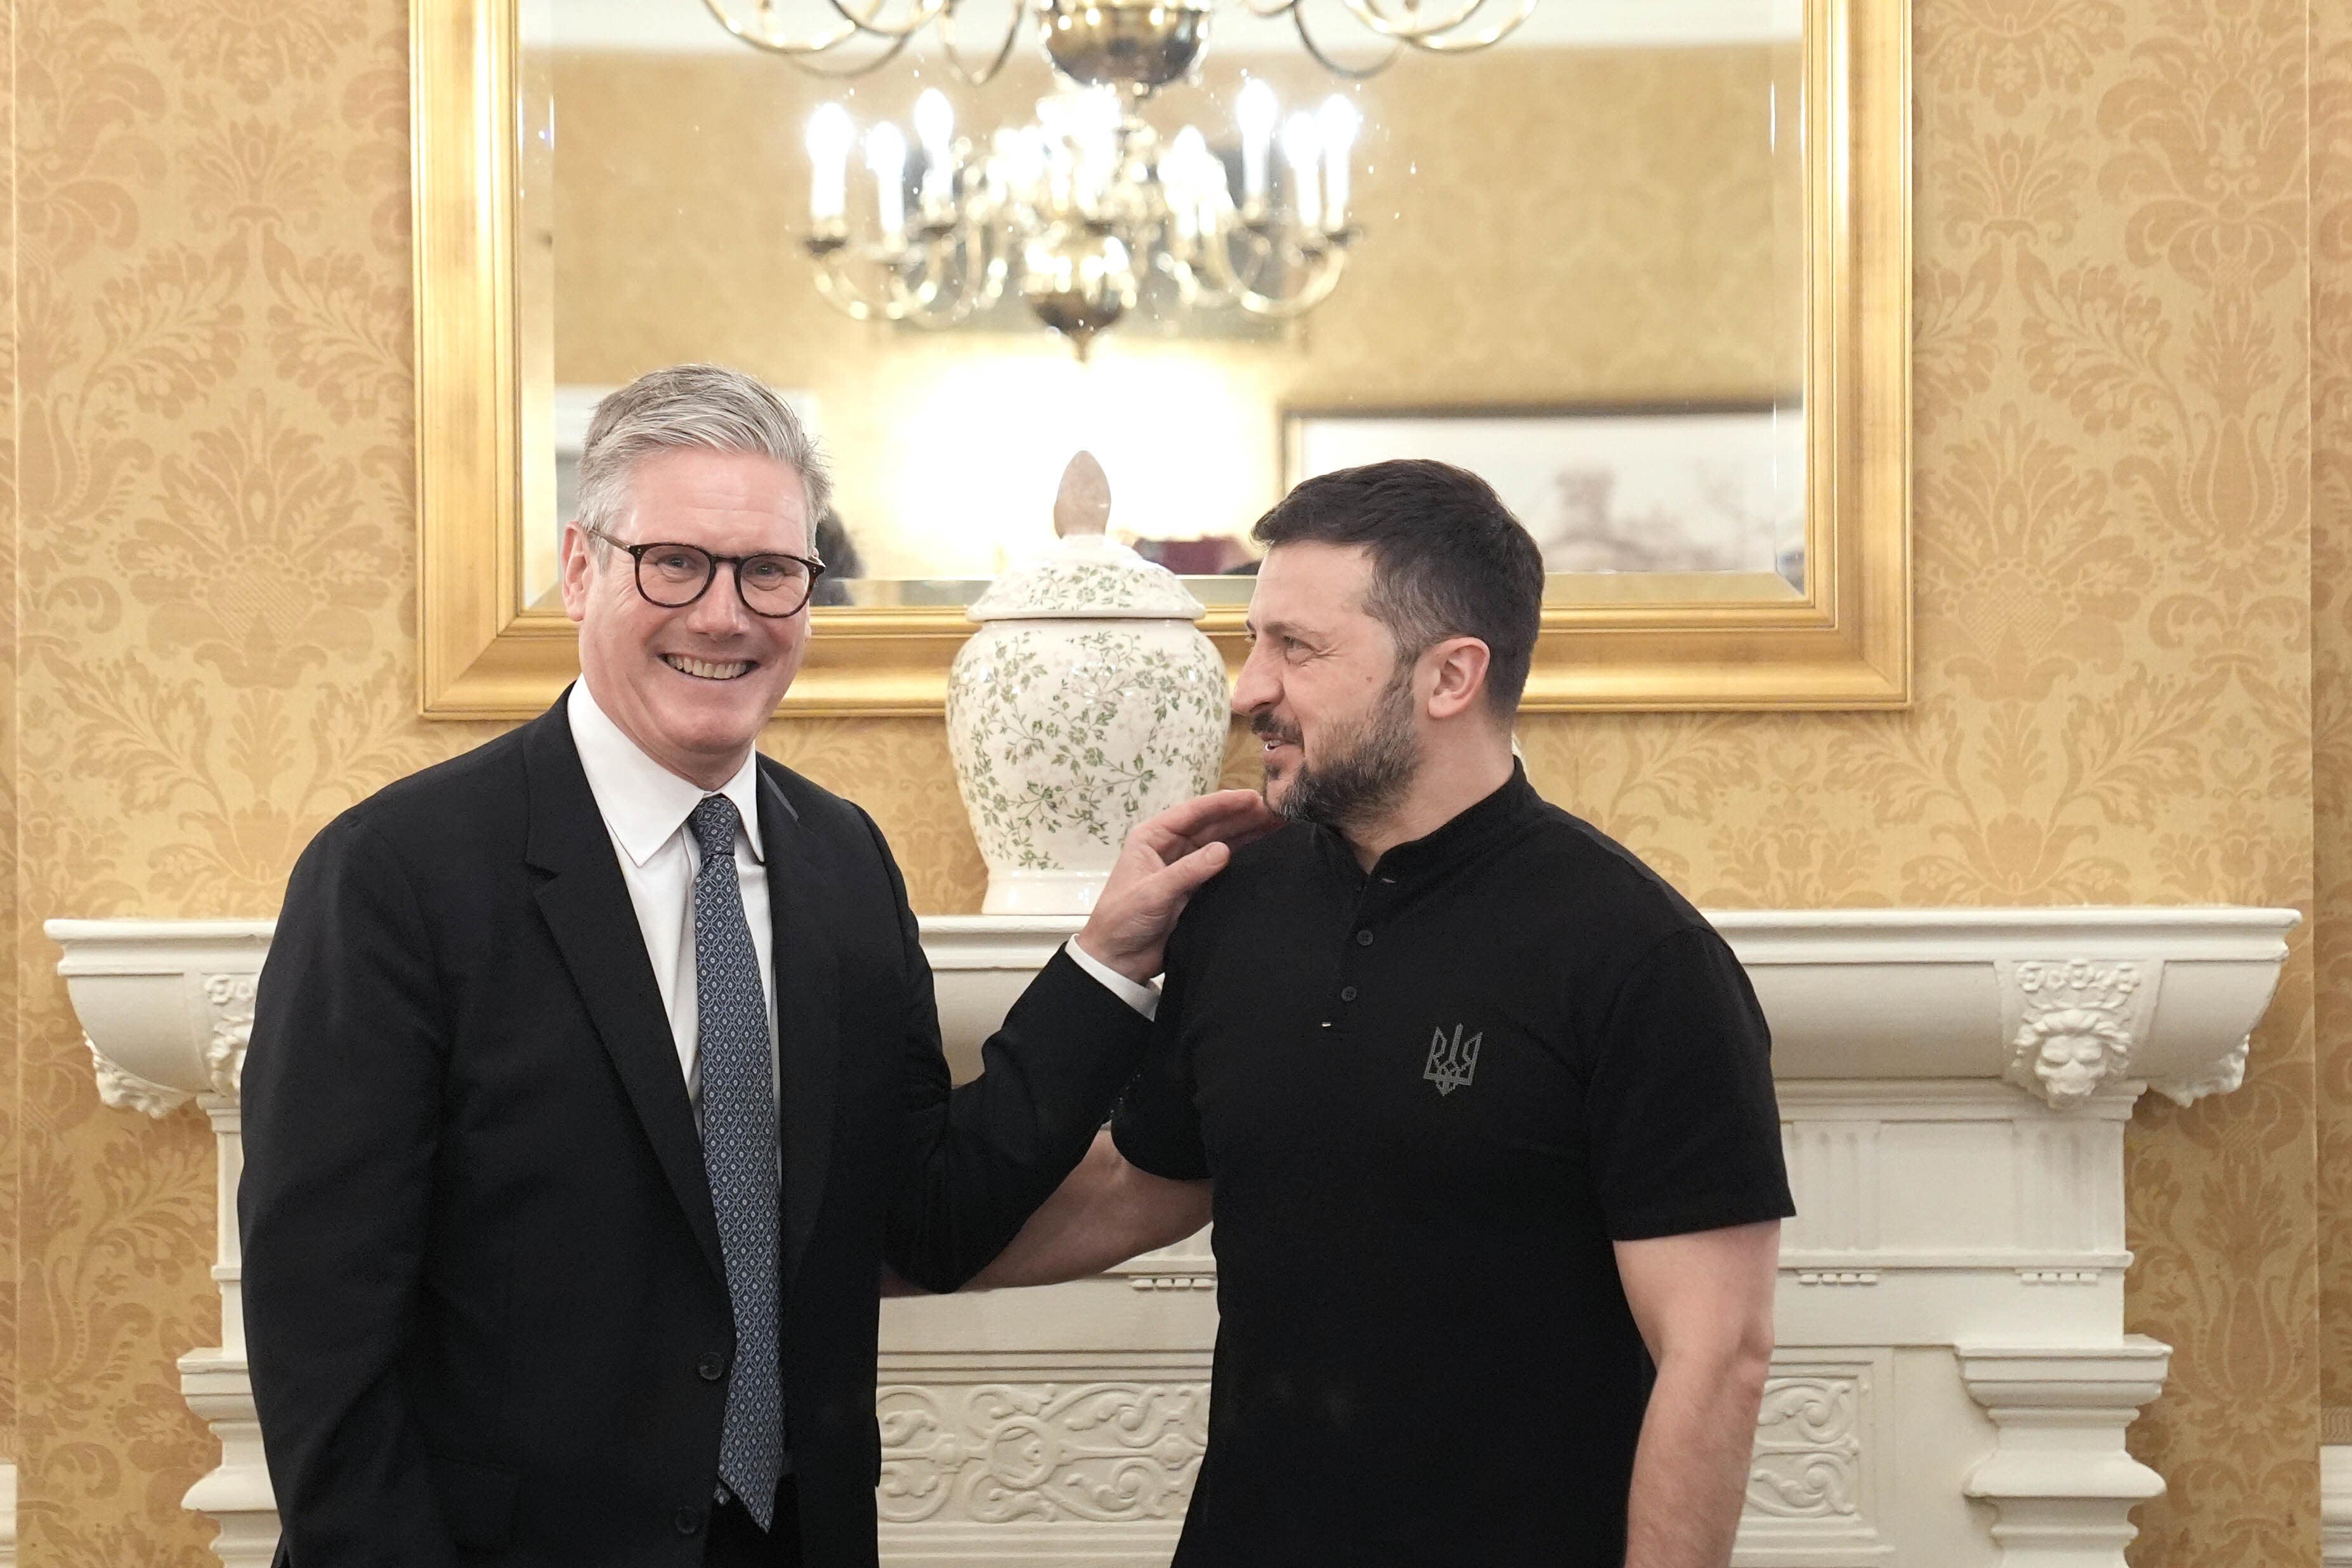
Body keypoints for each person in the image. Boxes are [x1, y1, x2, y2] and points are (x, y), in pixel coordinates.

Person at [237, 363, 1274, 1568]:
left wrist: (1105, 961)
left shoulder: (840, 862)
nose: (725, 615)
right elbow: (322, 1321)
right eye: (674, 562)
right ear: (582, 568)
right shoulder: (397, 875)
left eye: (771, 572)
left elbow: (927, 1216)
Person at [970, 459, 1794, 1567]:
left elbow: (1717, 1354)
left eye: (1296, 649)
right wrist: (851, 1263)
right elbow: (1140, 1183)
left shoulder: (1642, 957)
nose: (1246, 688)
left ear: (1450, 675)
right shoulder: (1235, 901)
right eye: (1253, 639)